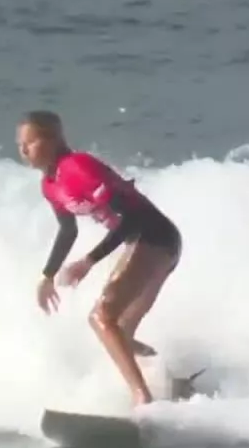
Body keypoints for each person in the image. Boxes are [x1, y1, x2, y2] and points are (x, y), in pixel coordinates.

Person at [16, 110, 183, 406]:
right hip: (146, 242)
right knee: (121, 333)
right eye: (20, 144)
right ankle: (173, 384)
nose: (23, 149)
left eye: (30, 142)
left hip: (154, 236)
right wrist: (47, 276)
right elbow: (68, 230)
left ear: (53, 140)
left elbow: (130, 217)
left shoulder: (77, 167)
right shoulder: (50, 185)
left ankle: (142, 399)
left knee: (101, 317)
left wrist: (88, 261)